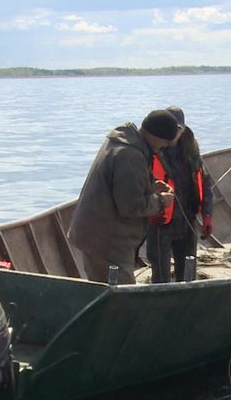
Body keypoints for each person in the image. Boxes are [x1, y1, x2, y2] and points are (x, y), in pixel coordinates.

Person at [67, 109, 181, 284]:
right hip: (106, 242)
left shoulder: (121, 143)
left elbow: (121, 185)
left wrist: (150, 186)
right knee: (120, 300)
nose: (164, 147)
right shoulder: (130, 155)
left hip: (95, 235)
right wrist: (160, 201)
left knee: (106, 291)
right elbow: (131, 206)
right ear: (156, 135)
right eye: (165, 142)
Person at [145, 106, 214, 283]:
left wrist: (207, 215)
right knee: (161, 276)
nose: (173, 134)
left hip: (187, 222)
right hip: (161, 224)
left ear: (183, 129)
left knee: (188, 274)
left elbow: (205, 183)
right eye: (171, 129)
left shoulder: (191, 151)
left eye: (178, 129)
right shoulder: (151, 150)